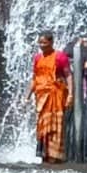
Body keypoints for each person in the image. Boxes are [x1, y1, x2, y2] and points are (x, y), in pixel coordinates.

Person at [31, 32, 72, 164]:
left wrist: (71, 94)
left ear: (51, 42)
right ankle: (45, 155)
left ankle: (55, 156)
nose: (42, 45)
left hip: (56, 96)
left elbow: (68, 76)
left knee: (56, 126)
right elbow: (34, 78)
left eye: (44, 43)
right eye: (40, 43)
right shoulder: (37, 58)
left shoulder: (60, 57)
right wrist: (26, 96)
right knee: (44, 126)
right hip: (42, 98)